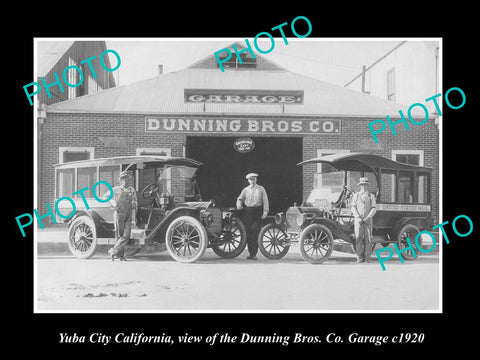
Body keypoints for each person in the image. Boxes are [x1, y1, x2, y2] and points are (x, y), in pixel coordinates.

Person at [236, 173, 269, 260]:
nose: (253, 181)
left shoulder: (261, 189)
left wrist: (265, 212)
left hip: (258, 211)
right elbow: (239, 199)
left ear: (256, 180)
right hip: (247, 212)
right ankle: (251, 253)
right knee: (248, 233)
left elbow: (265, 200)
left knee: (256, 232)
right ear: (248, 180)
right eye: (251, 179)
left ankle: (254, 254)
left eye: (254, 179)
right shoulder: (245, 190)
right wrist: (239, 205)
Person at [107, 170, 138, 261]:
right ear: (120, 180)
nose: (126, 180)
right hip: (119, 214)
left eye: (127, 178)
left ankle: (113, 250)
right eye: (123, 178)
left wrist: (134, 203)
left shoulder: (132, 190)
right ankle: (121, 256)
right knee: (119, 235)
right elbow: (105, 197)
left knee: (126, 235)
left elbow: (136, 200)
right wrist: (113, 205)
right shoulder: (116, 189)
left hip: (128, 214)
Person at [351, 177, 377, 263]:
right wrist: (357, 217)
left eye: (365, 185)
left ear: (367, 186)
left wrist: (368, 217)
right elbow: (353, 207)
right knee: (358, 238)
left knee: (368, 239)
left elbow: (374, 208)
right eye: (362, 185)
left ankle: (367, 258)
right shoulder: (356, 195)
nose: (364, 187)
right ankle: (359, 257)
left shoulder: (371, 196)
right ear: (360, 186)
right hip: (358, 221)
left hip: (368, 221)